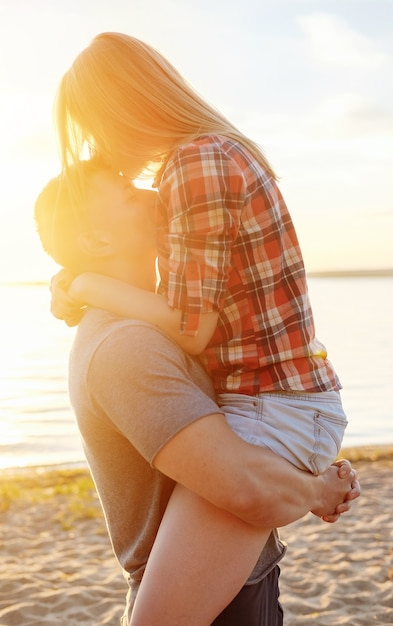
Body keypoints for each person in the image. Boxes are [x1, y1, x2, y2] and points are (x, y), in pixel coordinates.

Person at [50, 32, 353, 625]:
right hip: (280, 401)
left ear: (122, 107)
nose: (98, 148)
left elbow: (190, 328)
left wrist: (86, 285)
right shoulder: (205, 157)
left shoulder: (198, 162)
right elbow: (194, 308)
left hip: (273, 404)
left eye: (94, 125)